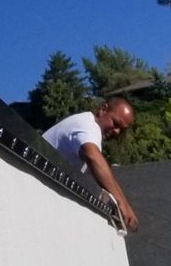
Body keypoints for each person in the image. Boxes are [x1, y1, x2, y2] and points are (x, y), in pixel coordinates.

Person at [43, 97, 140, 232]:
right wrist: (122, 204)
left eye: (121, 129)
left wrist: (122, 203)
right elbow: (93, 157)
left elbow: (102, 175)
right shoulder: (88, 125)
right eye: (115, 123)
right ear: (103, 109)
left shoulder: (86, 127)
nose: (117, 132)